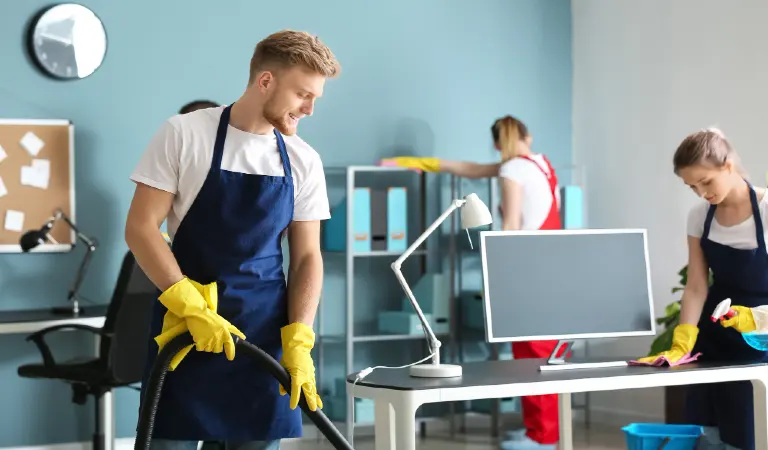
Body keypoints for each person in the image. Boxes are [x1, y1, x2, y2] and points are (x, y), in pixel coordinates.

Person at [125, 29, 341, 450]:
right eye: (302, 94)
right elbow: (141, 228)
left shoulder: (303, 160)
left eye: (315, 97)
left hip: (264, 336)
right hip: (187, 328)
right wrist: (188, 304)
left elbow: (307, 258)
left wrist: (299, 337)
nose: (310, 109)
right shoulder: (185, 134)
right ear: (265, 82)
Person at [382, 115, 562, 450]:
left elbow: (509, 226)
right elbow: (470, 169)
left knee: (531, 353)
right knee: (542, 352)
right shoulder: (540, 164)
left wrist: (497, 277)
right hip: (548, 262)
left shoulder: (512, 171)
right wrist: (417, 163)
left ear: (497, 144)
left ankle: (542, 438)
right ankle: (542, 433)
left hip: (524, 265)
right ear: (529, 136)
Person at [637, 127, 767, 450]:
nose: (701, 193)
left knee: (749, 435)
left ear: (728, 165)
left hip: (761, 342)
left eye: (705, 182)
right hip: (716, 340)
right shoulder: (700, 217)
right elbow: (696, 286)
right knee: (706, 435)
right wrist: (684, 338)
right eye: (691, 186)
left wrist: (756, 320)